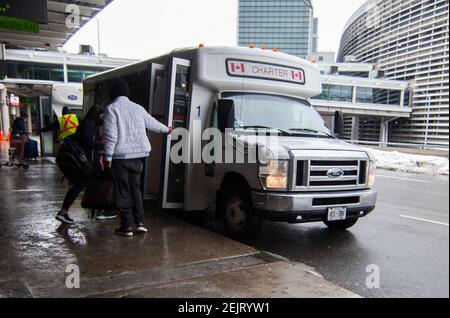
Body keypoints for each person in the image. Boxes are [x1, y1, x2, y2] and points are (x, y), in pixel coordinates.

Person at [103, 79, 173, 237]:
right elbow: (152, 123)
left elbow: (110, 135)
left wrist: (107, 157)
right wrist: (166, 129)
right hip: (139, 156)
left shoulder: (112, 108)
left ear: (113, 92)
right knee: (136, 189)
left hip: (121, 157)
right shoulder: (137, 108)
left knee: (123, 190)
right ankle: (140, 223)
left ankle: (126, 226)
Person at [55, 106, 106, 224]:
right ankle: (100, 211)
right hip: (82, 163)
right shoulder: (89, 123)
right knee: (82, 184)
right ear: (96, 114)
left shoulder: (88, 123)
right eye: (101, 116)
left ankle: (64, 212)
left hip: (80, 161)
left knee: (81, 185)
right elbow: (87, 141)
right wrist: (101, 144)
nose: (102, 119)